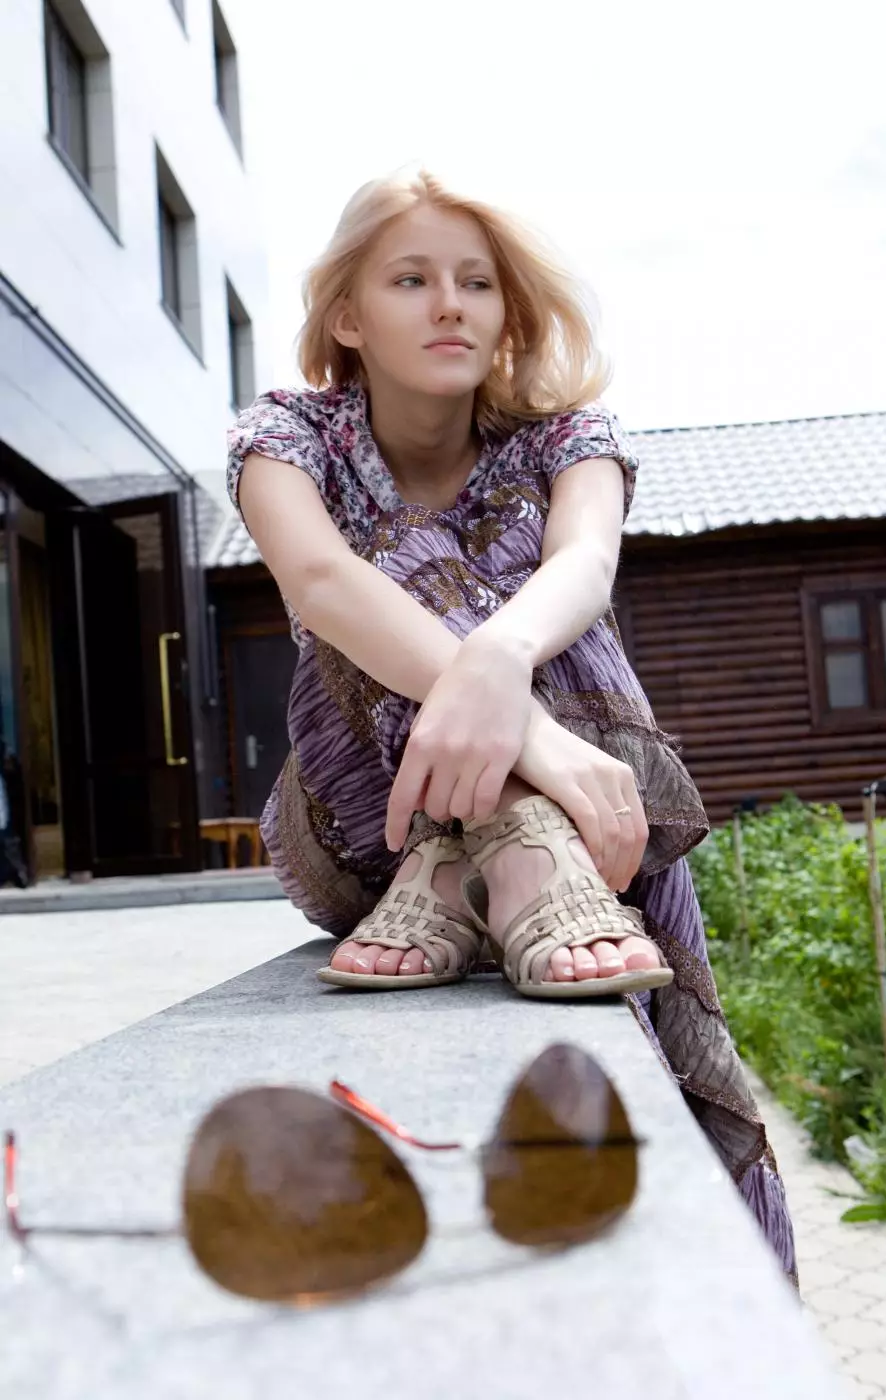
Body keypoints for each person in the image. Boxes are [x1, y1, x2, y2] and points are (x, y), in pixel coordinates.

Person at [227, 170, 797, 1284]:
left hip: (567, 818)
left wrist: (499, 659)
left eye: (476, 283)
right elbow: (319, 583)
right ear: (348, 317)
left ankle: (473, 862)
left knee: (540, 610)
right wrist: (536, 743)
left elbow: (586, 563)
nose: (451, 304)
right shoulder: (287, 436)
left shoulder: (565, 437)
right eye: (411, 279)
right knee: (387, 569)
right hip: (365, 821)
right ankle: (519, 841)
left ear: (507, 314)